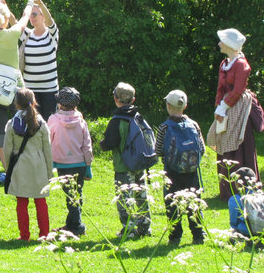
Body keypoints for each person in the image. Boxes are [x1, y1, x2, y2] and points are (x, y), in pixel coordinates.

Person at [206, 28, 264, 201]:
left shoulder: (241, 64)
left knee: (239, 141)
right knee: (224, 140)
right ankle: (227, 188)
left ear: (229, 44)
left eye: (221, 41)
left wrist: (224, 106)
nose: (219, 44)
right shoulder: (225, 63)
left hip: (239, 106)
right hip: (226, 104)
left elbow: (238, 89)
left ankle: (244, 187)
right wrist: (218, 107)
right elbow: (220, 88)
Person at [0, 0, 34, 164]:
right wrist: (30, 2)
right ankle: (26, 160)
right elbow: (25, 17)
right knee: (27, 120)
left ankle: (7, 168)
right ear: (5, 21)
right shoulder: (12, 34)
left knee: (0, 129)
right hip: (16, 86)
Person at [100, 82, 152, 239]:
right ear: (133, 100)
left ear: (116, 99)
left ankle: (129, 228)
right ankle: (145, 227)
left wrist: (101, 143)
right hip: (140, 164)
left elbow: (107, 144)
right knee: (141, 195)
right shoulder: (139, 118)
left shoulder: (116, 120)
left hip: (123, 165)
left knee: (124, 197)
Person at [155, 89, 206, 245]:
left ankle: (175, 236)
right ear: (185, 106)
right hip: (192, 173)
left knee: (172, 204)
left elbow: (157, 150)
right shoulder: (194, 125)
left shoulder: (164, 127)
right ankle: (198, 235)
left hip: (171, 172)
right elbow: (202, 149)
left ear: (168, 106)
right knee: (194, 203)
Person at [3, 88, 53, 241]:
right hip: (38, 166)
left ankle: (24, 235)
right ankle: (44, 234)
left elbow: (7, 149)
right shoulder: (42, 124)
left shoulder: (12, 124)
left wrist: (8, 168)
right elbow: (48, 150)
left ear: (16, 104)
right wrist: (49, 172)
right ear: (34, 102)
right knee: (40, 201)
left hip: (19, 165)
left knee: (22, 201)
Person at [47, 87, 93, 237]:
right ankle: (72, 224)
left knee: (71, 197)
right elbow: (87, 145)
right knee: (75, 194)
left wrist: (50, 163)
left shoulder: (53, 120)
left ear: (59, 104)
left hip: (62, 163)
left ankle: (77, 226)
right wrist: (88, 166)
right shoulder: (81, 121)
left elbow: (48, 141)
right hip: (79, 163)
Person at [19, 0, 59, 121]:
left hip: (50, 91)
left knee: (49, 124)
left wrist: (40, 3)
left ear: (43, 16)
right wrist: (5, 9)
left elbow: (51, 21)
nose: (31, 17)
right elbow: (15, 23)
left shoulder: (52, 34)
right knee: (31, 124)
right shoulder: (27, 34)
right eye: (30, 15)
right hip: (30, 90)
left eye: (35, 14)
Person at [228, 167, 264, 239]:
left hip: (247, 230)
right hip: (262, 228)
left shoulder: (235, 199)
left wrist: (233, 230)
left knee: (238, 226)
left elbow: (233, 221)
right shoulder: (260, 195)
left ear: (238, 184)